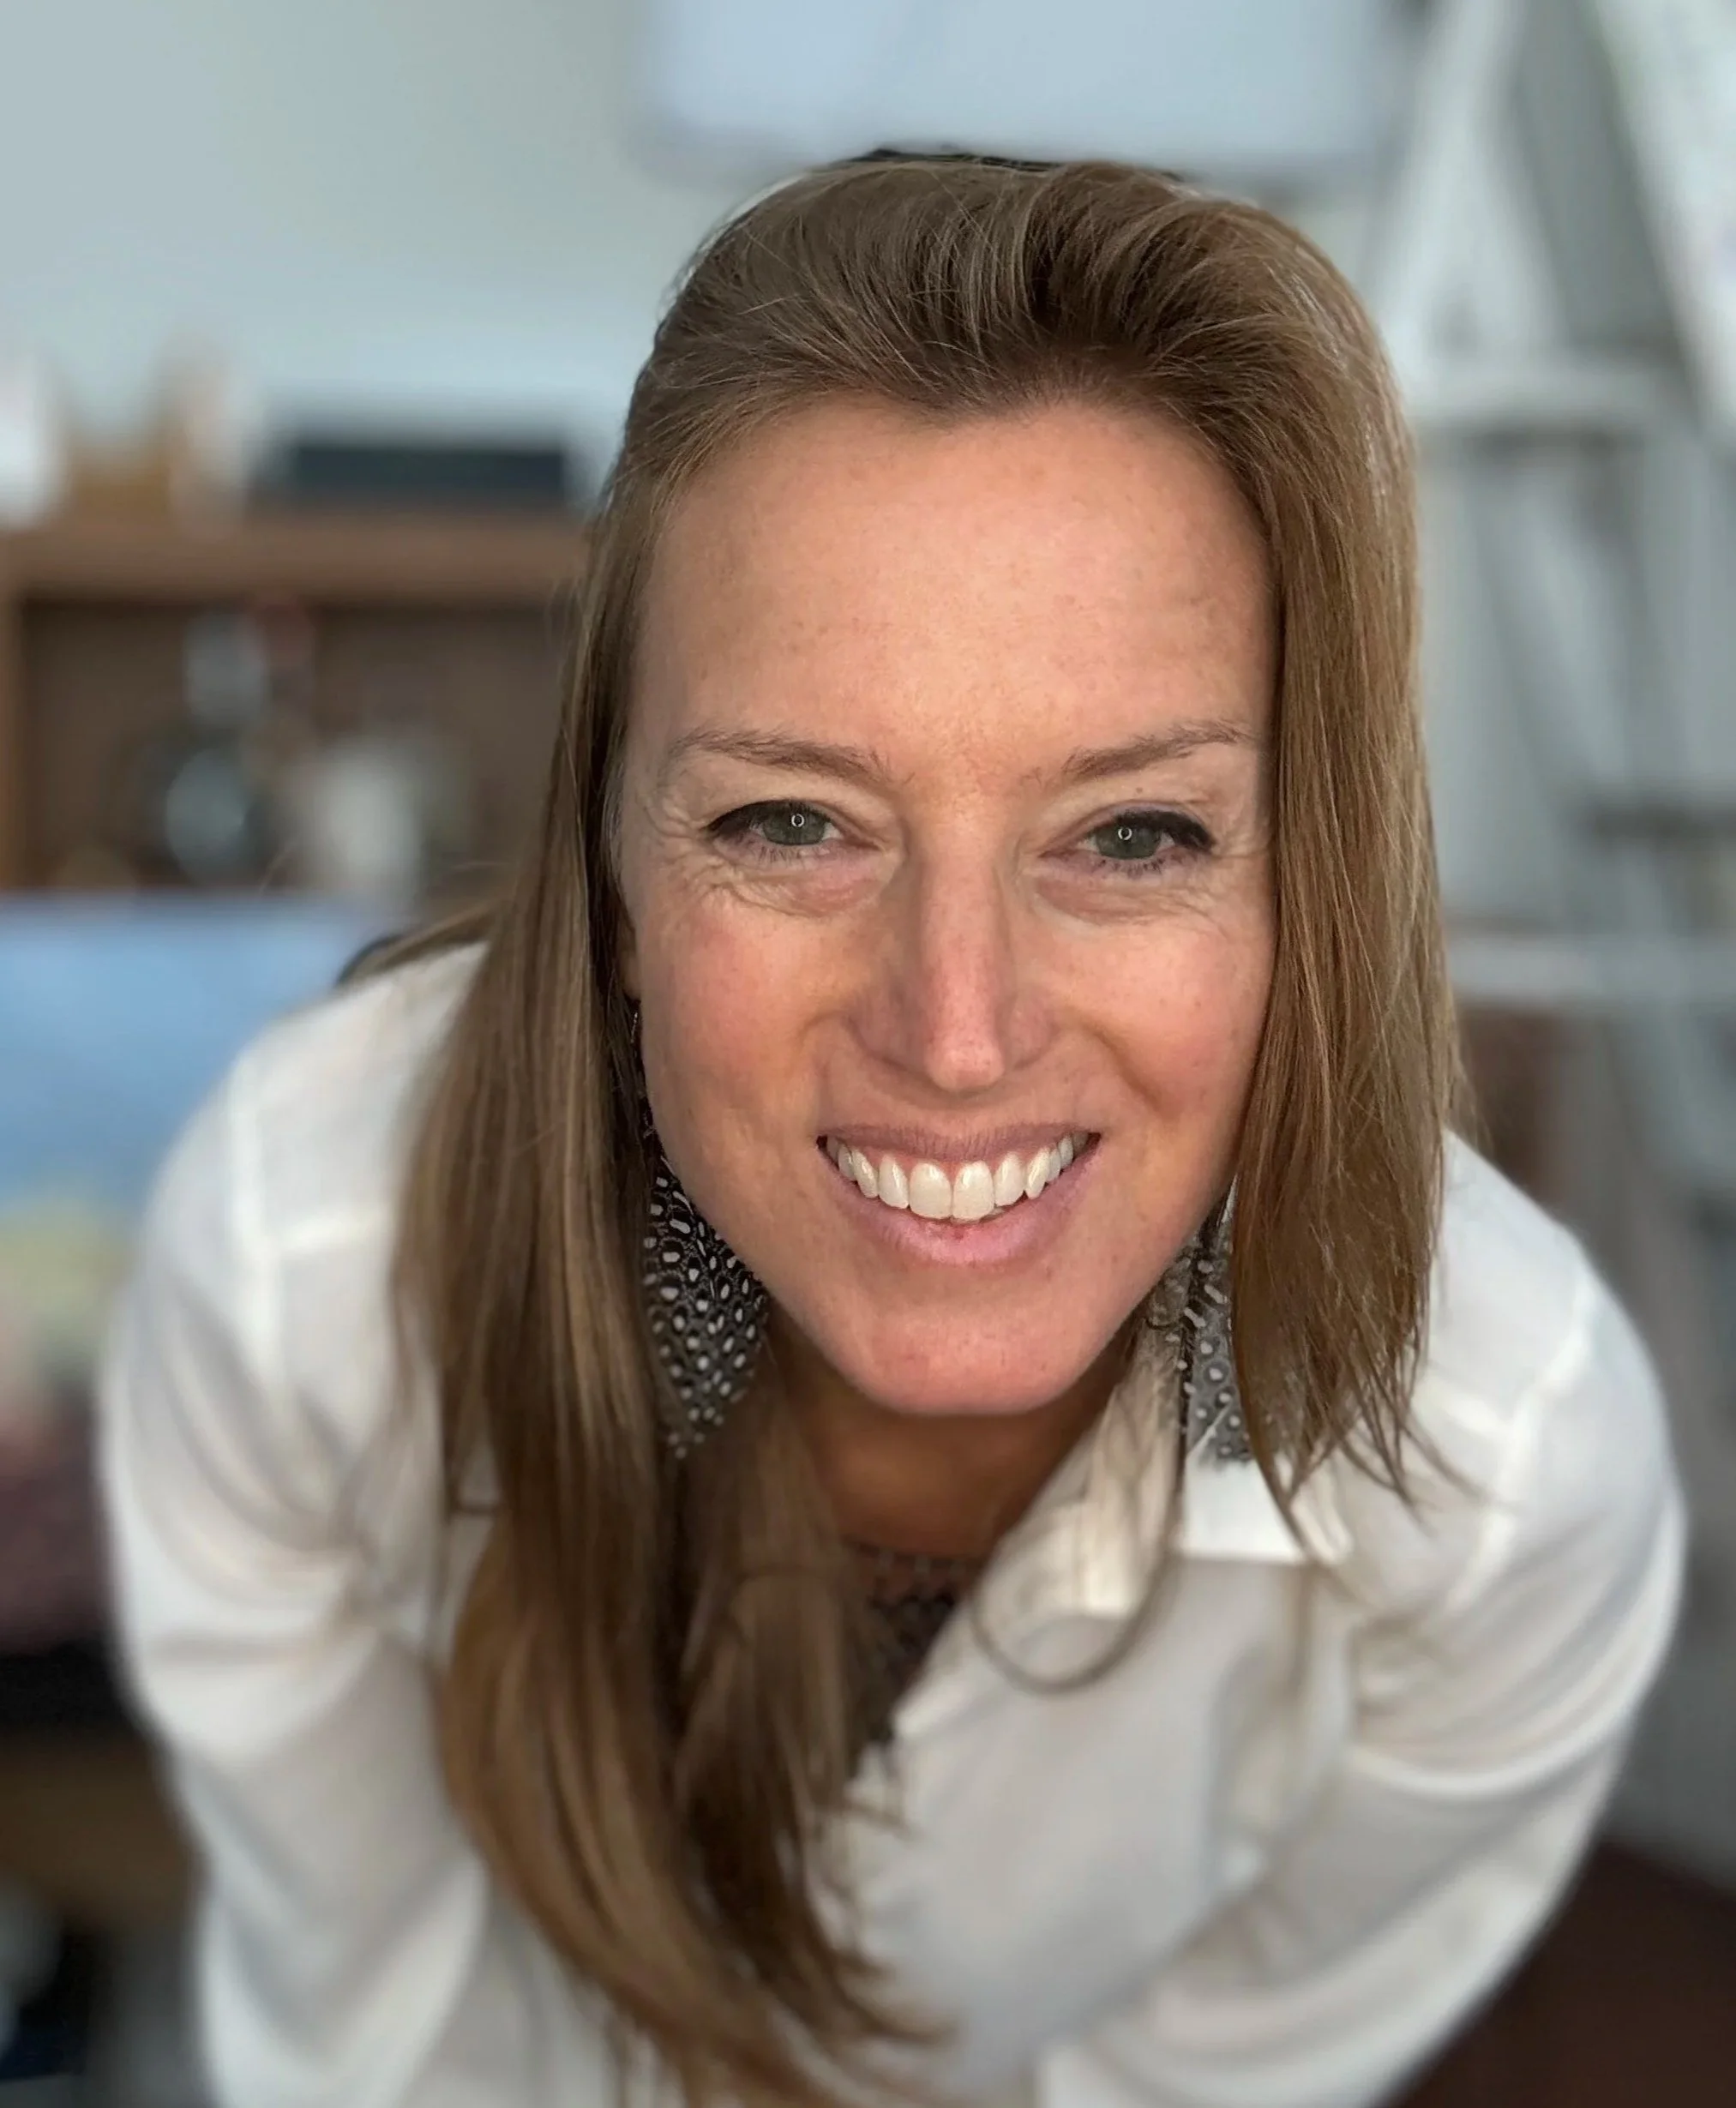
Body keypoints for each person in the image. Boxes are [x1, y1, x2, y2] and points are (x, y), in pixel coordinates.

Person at [99, 156, 1683, 2108]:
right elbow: (382, 2033)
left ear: (1308, 894)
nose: (956, 1030)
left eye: (1132, 834)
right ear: (612, 870)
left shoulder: (1512, 1469)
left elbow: (1209, 2074)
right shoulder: (304, 1269)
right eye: (791, 822)